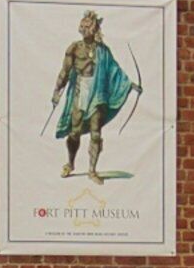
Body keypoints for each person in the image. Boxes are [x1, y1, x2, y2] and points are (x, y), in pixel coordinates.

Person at [48, 10, 134, 181]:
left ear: (95, 29)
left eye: (89, 26)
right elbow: (64, 72)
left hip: (98, 93)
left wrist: (130, 84)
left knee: (96, 133)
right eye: (83, 26)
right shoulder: (74, 48)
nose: (85, 29)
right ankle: (70, 163)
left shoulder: (103, 51)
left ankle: (92, 171)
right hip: (81, 91)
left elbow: (114, 71)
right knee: (75, 132)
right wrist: (56, 92)